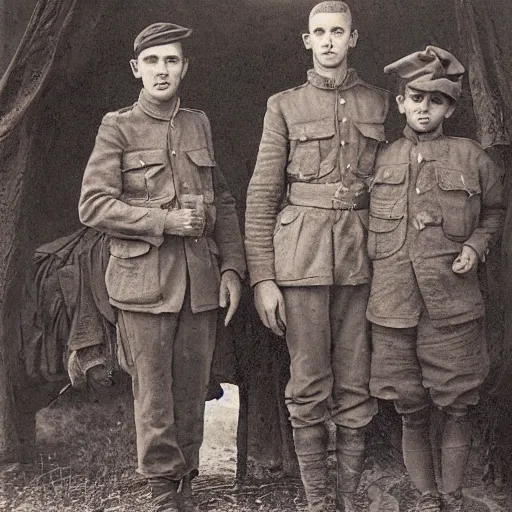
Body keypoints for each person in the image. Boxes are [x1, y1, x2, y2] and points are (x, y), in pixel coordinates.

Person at [78, 22, 246, 512]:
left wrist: (233, 267)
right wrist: (164, 221)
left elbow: (225, 201)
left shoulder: (199, 123)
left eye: (171, 60)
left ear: (184, 68)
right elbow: (93, 205)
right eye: (152, 61)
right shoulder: (118, 126)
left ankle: (186, 480)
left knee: (192, 391)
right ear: (136, 69)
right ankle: (161, 490)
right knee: (153, 395)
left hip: (199, 281)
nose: (162, 70)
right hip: (143, 284)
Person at [244, 2, 389, 510]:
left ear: (354, 38)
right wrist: (263, 277)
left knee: (356, 381)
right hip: (300, 260)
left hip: (361, 257)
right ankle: (317, 503)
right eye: (318, 33)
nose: (328, 41)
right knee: (308, 383)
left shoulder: (380, 103)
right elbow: (262, 194)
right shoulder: (283, 105)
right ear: (306, 41)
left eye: (337, 32)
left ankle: (348, 499)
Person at [367, 46, 504, 512]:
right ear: (400, 102)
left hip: (453, 302)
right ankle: (426, 498)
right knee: (409, 407)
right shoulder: (379, 159)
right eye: (415, 97)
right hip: (393, 303)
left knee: (458, 403)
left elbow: (493, 212)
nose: (424, 108)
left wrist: (475, 246)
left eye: (436, 100)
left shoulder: (473, 158)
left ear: (450, 107)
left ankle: (452, 494)